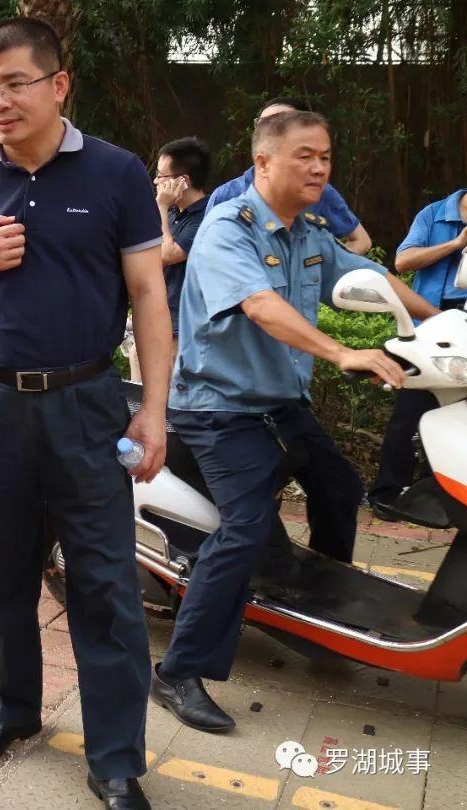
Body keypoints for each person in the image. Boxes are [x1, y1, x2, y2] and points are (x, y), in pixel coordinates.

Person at [0, 18, 172, 810]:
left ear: (58, 84)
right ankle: (10, 712)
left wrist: (153, 411)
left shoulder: (116, 173)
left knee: (104, 585)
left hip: (86, 404)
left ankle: (116, 759)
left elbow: (149, 296)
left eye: (14, 83)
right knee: (1, 575)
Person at [151, 110, 440, 734]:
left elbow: (371, 276)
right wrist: (341, 352)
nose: (318, 168)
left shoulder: (307, 233)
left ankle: (316, 611)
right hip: (218, 412)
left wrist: (441, 322)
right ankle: (178, 671)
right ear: (263, 162)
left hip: (280, 406)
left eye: (326, 157)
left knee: (339, 488)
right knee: (245, 527)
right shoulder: (227, 228)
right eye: (304, 155)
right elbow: (259, 304)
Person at [368, 186, 467, 515]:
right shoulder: (434, 214)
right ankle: (386, 494)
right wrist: (456, 244)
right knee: (409, 413)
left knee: (457, 419)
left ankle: (444, 498)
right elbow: (403, 261)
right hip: (431, 328)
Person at [207, 97, 372, 255]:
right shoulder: (226, 197)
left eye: (324, 158)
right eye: (263, 124)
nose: (318, 170)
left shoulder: (317, 190)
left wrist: (323, 268)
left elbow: (361, 241)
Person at [130, 137, 210, 382]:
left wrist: (161, 206)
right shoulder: (173, 214)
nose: (156, 181)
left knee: (167, 400)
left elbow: (167, 254)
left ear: (183, 180)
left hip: (181, 330)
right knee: (139, 394)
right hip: (155, 321)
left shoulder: (207, 216)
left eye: (161, 176)